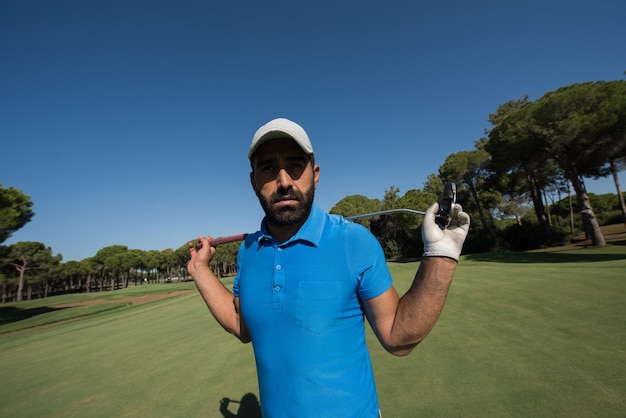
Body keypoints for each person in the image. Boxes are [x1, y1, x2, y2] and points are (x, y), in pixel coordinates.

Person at [188, 118, 470, 418]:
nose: (284, 181)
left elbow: (398, 339)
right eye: (268, 168)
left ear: (316, 174)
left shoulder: (354, 242)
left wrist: (441, 254)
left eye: (295, 166)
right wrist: (200, 270)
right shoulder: (248, 252)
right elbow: (242, 325)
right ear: (253, 180)